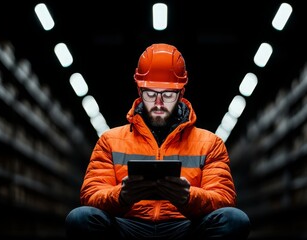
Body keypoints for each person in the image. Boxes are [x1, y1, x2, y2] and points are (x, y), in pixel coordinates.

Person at [65, 43, 251, 240]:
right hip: (128, 226)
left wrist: (188, 197)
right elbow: (91, 196)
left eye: (168, 95)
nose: (159, 103)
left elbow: (224, 199)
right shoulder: (110, 141)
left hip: (185, 226)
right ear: (139, 91)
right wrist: (122, 196)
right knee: (80, 218)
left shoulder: (210, 143)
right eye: (151, 94)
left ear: (181, 93)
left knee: (234, 220)